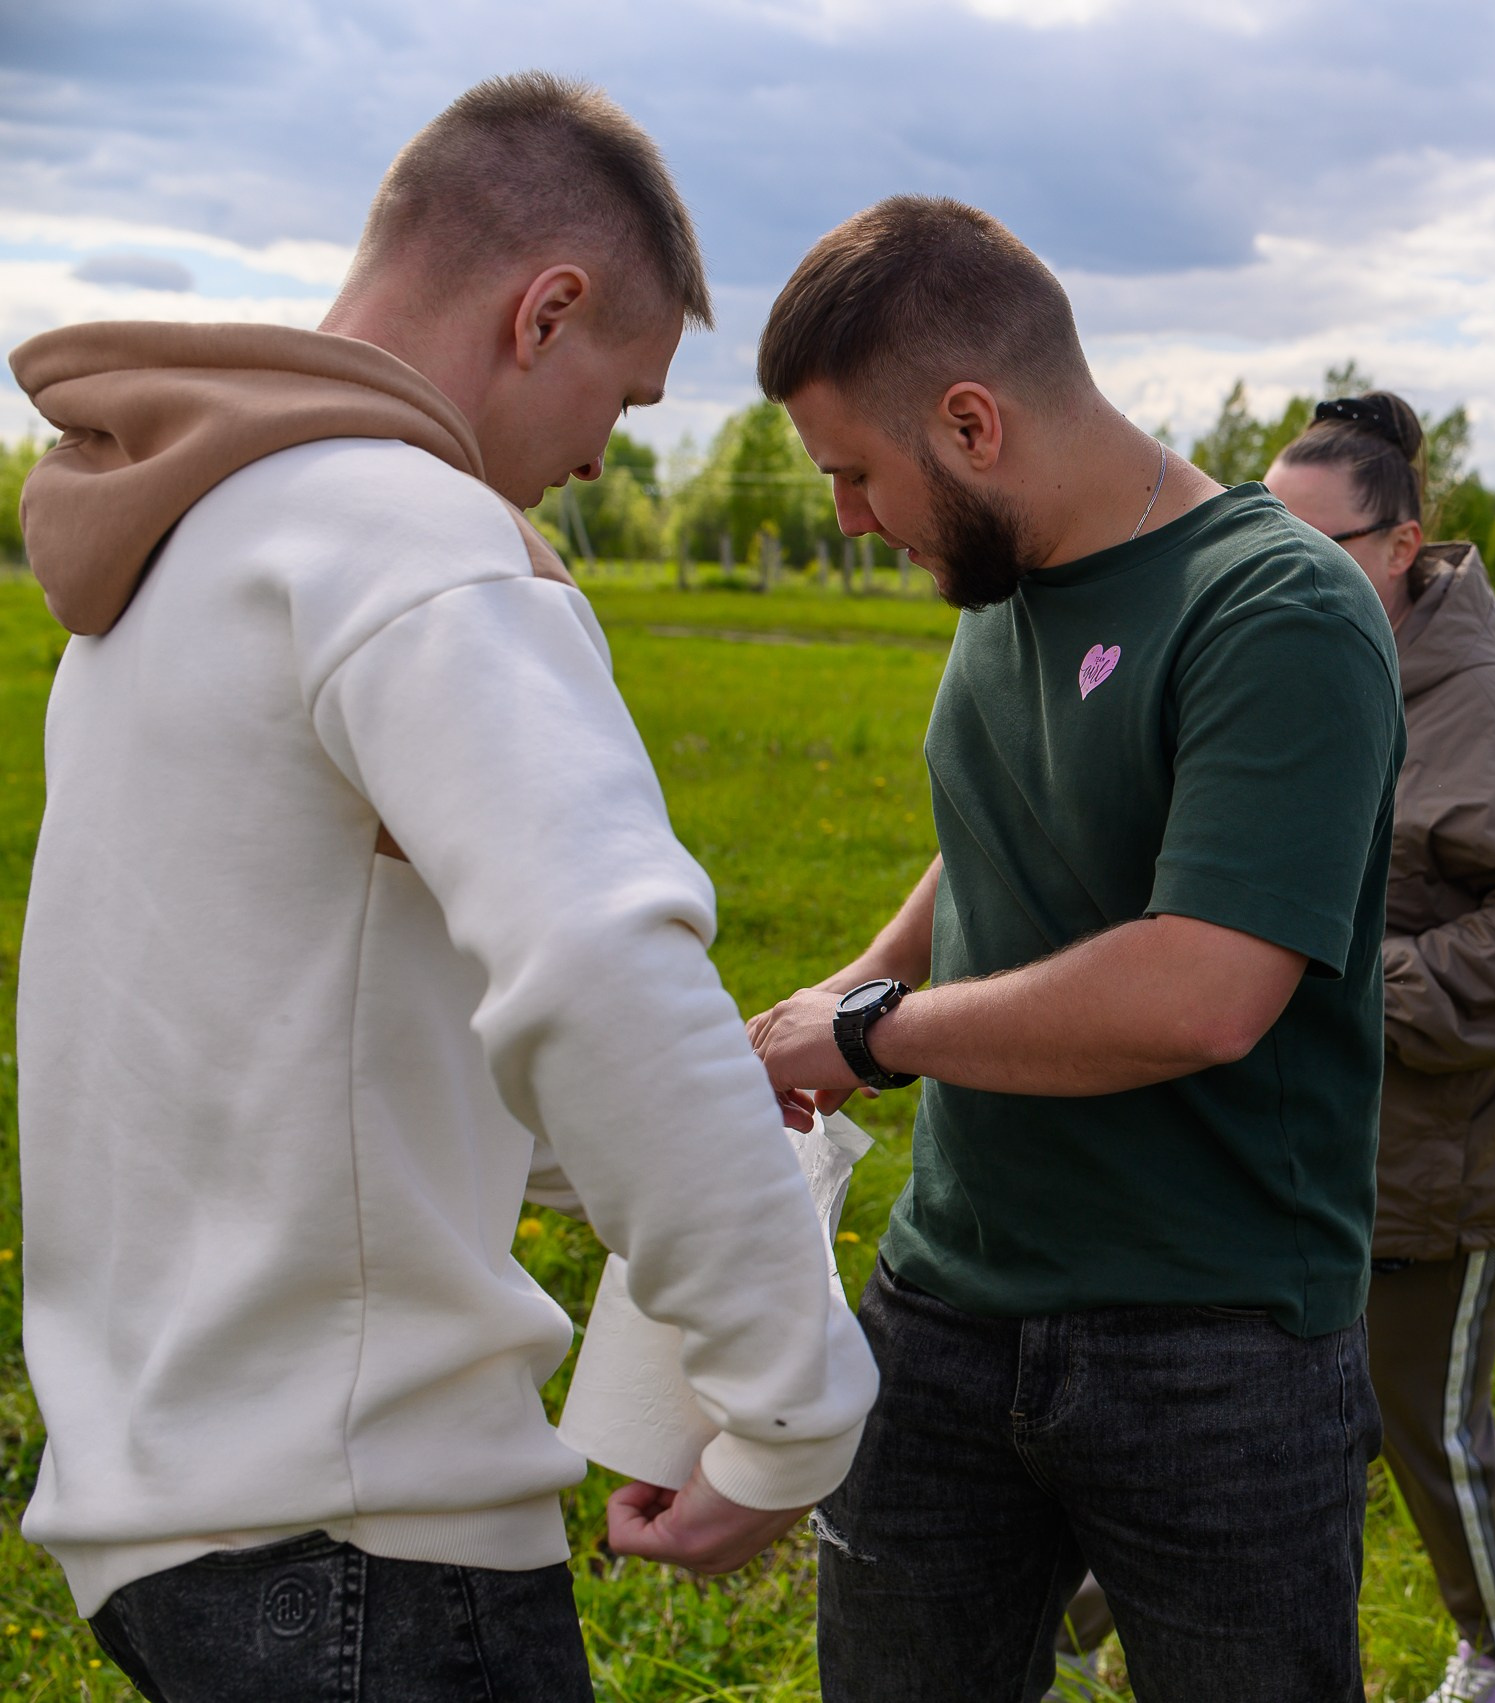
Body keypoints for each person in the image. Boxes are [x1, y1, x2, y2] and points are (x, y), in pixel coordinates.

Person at [10, 75, 878, 1700]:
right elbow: (599, 963)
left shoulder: (185, 554)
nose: (598, 462)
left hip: (172, 1526)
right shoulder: (418, 542)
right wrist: (792, 1409)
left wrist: (600, 1143)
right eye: (622, 399)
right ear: (544, 312)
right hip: (363, 1550)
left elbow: (287, 1028)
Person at [745, 197, 1404, 1703]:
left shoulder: (1277, 608)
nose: (848, 516)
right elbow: (1003, 818)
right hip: (946, 1303)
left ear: (971, 423)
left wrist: (874, 1035)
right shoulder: (1005, 583)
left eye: (854, 471)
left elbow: (1204, 989)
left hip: (1215, 1346)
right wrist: (856, 980)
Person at [1266, 394, 1495, 1703]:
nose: (1279, 574)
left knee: (1425, 1417)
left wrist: (1347, 984)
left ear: (1402, 546)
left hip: (1451, 1159)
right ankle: (1079, 1614)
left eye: (1315, 548)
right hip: (1338, 1142)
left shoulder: (1479, 708)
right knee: (1274, 1410)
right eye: (1263, 542)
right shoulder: (1323, 667)